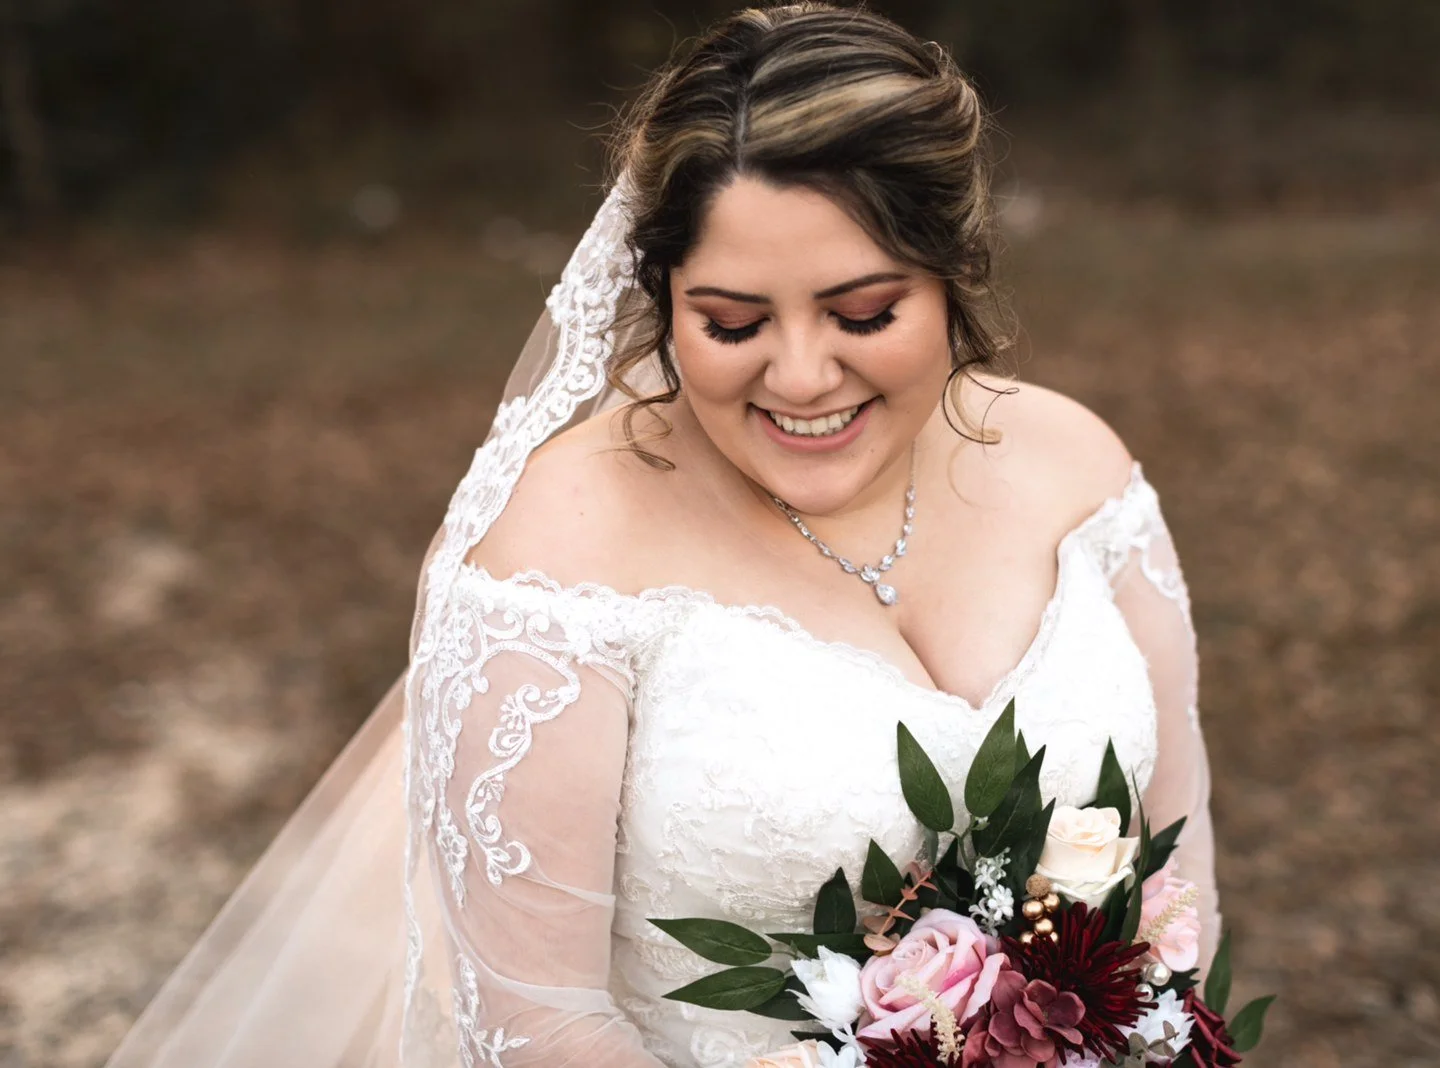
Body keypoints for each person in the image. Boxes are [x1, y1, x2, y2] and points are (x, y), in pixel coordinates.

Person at [104, 5, 1220, 1067]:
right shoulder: (558, 555)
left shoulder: (1074, 467)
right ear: (662, 295)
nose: (798, 376)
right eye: (730, 323)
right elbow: (535, 1027)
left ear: (952, 275)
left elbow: (1177, 868)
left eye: (863, 312)